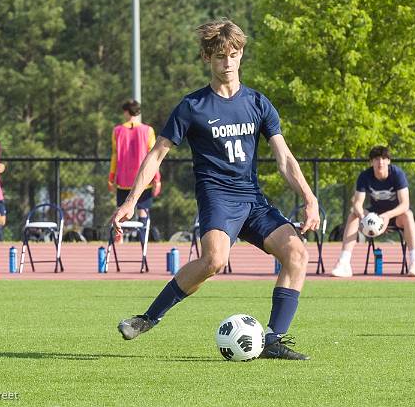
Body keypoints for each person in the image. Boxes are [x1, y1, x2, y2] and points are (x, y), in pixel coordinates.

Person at [111, 19, 319, 360]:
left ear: (241, 56)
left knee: (297, 254)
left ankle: (273, 340)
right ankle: (148, 318)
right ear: (208, 58)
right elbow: (156, 155)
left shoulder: (257, 102)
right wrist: (131, 201)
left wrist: (309, 199)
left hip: (252, 199)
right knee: (214, 260)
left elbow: (284, 158)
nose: (228, 62)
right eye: (220, 56)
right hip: (217, 198)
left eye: (234, 55)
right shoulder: (192, 107)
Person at [331, 146, 415, 278]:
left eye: (384, 159)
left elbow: (405, 204)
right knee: (353, 215)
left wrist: (386, 216)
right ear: (371, 162)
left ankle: (414, 262)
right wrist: (363, 217)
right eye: (377, 159)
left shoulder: (397, 174)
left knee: (408, 214)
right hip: (373, 215)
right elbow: (357, 203)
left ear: (389, 161)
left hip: (394, 215)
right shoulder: (365, 176)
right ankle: (344, 263)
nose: (381, 162)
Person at [108, 99, 161, 243]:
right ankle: (143, 240)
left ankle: (119, 239)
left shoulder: (117, 131)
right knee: (143, 211)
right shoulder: (148, 130)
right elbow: (153, 155)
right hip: (143, 179)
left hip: (123, 179)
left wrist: (111, 178)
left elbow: (114, 155)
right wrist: (157, 178)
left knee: (121, 210)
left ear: (126, 112)